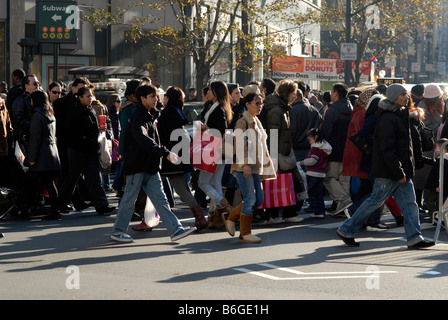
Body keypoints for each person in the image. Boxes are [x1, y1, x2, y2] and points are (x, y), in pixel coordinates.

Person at [337, 84, 436, 249]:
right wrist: (398, 171)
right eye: (403, 94)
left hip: (398, 169)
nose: (407, 97)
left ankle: (414, 238)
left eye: (407, 94)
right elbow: (387, 149)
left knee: (408, 203)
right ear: (394, 97)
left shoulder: (398, 114)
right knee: (375, 201)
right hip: (389, 171)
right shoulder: (388, 117)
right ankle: (346, 229)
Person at [111, 84, 196, 243]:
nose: (156, 99)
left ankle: (175, 229)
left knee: (160, 200)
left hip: (150, 165)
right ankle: (118, 230)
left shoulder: (149, 115)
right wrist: (165, 153)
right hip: (138, 165)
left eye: (156, 96)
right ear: (142, 99)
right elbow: (143, 140)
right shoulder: (138, 117)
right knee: (129, 199)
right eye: (152, 97)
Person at [223, 92, 276, 243]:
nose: (260, 106)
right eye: (257, 103)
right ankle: (245, 233)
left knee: (258, 199)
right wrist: (245, 163)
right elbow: (240, 144)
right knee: (250, 198)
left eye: (261, 103)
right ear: (247, 104)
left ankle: (230, 217)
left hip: (254, 166)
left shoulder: (256, 120)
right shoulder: (242, 121)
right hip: (243, 166)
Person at [57, 87, 116, 215]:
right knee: (72, 178)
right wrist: (84, 138)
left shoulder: (90, 110)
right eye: (88, 96)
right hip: (77, 149)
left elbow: (92, 128)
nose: (91, 98)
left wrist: (101, 129)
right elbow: (70, 132)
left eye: (91, 96)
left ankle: (102, 205)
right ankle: (59, 204)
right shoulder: (73, 111)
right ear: (80, 97)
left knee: (94, 178)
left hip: (90, 149)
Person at [157, 86, 208, 231]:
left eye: (165, 96)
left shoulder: (167, 113)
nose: (162, 98)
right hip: (180, 154)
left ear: (169, 98)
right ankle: (199, 218)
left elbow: (162, 135)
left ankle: (200, 218)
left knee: (180, 188)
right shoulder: (177, 113)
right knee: (180, 187)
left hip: (172, 155)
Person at [264, 79, 304, 224]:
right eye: (293, 93)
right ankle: (279, 215)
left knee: (284, 184)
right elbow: (273, 134)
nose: (295, 97)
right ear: (286, 93)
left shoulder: (282, 108)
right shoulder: (277, 110)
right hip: (279, 154)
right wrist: (274, 158)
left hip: (282, 153)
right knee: (282, 184)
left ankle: (280, 214)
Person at [53, 77, 93, 212]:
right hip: (65, 143)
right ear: (74, 88)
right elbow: (61, 125)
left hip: (80, 144)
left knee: (74, 175)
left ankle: (77, 202)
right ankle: (64, 203)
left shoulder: (85, 103)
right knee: (69, 174)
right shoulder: (62, 103)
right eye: (81, 88)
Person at [198, 80, 234, 229]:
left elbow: (220, 130)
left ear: (216, 92)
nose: (207, 93)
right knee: (215, 183)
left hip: (213, 149)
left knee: (202, 182)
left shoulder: (218, 108)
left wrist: (205, 128)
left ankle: (223, 205)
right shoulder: (217, 107)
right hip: (218, 151)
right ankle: (220, 216)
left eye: (210, 90)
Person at [320, 83, 353, 215]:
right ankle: (344, 209)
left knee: (329, 178)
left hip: (333, 150)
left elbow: (326, 132)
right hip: (348, 150)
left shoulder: (332, 111)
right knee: (344, 180)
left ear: (335, 93)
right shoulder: (352, 109)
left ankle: (343, 201)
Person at [27, 90, 61, 220]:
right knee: (50, 184)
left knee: (32, 183)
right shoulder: (50, 114)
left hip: (41, 156)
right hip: (51, 154)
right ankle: (55, 211)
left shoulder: (37, 116)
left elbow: (35, 139)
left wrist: (31, 159)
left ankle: (25, 208)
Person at [299, 128, 332, 219]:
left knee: (311, 193)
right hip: (321, 174)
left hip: (313, 173)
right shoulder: (324, 148)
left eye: (310, 140)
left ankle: (317, 211)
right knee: (318, 194)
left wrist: (301, 162)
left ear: (316, 137)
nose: (309, 142)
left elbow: (312, 161)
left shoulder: (315, 148)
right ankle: (320, 211)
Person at [290, 87, 322, 164]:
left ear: (295, 97)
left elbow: (292, 130)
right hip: (312, 149)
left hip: (296, 149)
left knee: (297, 173)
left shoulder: (292, 111)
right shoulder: (314, 110)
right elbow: (320, 126)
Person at [11, 75, 40, 158]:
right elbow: (19, 119)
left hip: (36, 137)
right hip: (26, 139)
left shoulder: (40, 98)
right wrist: (34, 127)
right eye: (35, 83)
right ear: (26, 86)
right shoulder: (20, 100)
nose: (37, 85)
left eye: (38, 83)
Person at [424, 139, 448, 224]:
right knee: (440, 203)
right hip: (439, 186)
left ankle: (434, 218)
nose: (435, 149)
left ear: (442, 149)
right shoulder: (441, 159)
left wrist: (439, 185)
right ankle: (439, 218)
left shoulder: (444, 161)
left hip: (438, 187)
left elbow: (443, 175)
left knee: (431, 201)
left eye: (436, 147)